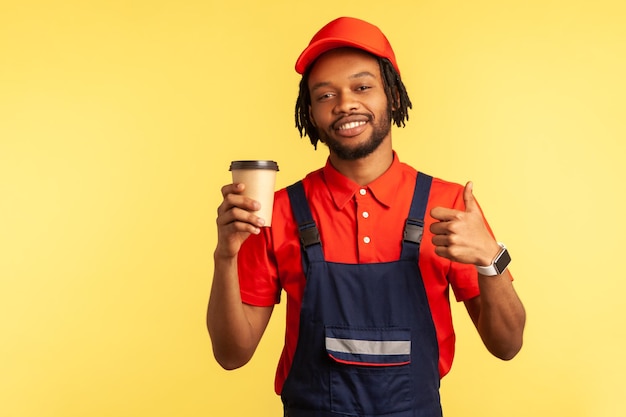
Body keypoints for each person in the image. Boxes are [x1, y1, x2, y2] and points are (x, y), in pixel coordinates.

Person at [207, 16, 526, 417]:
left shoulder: (447, 207)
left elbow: (507, 345)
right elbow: (231, 354)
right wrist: (225, 256)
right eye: (325, 95)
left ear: (392, 95)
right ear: (310, 112)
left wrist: (490, 259)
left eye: (362, 87)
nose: (345, 104)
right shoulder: (279, 211)